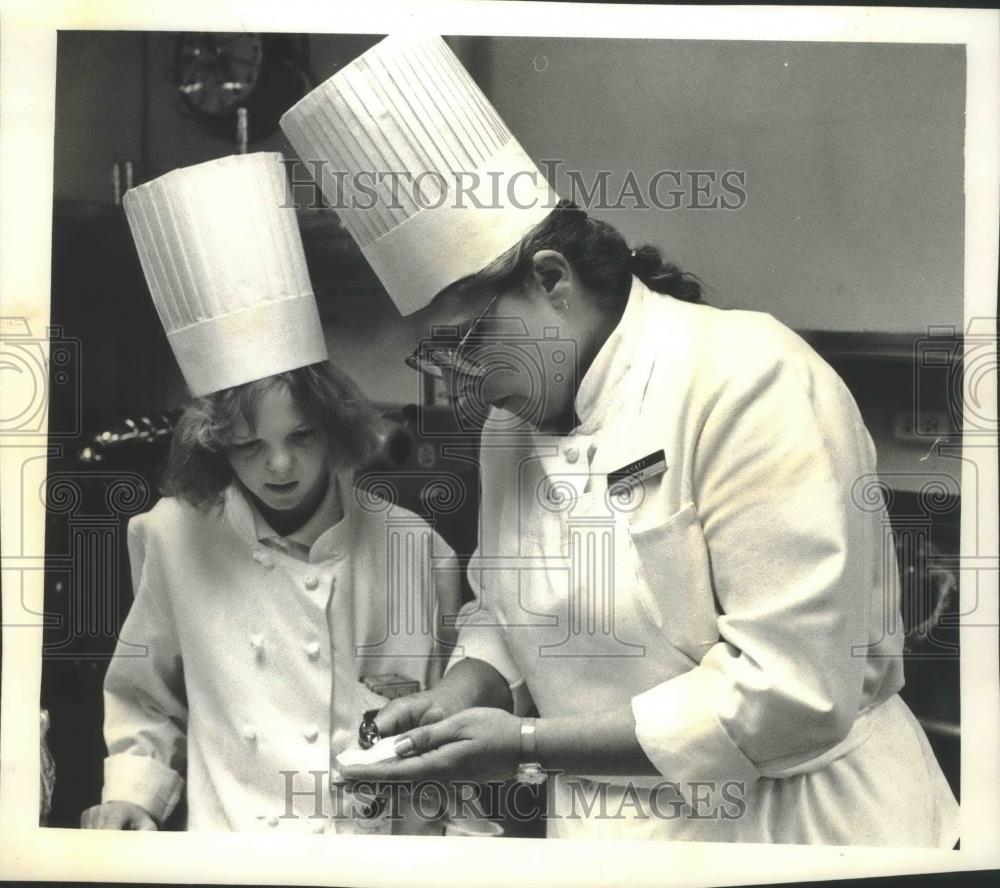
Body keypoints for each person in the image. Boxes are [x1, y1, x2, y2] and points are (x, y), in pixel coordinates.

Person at [280, 35, 960, 845]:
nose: (459, 383)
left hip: (798, 829)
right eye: (435, 357)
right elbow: (506, 606)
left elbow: (791, 694)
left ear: (551, 280)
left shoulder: (749, 377)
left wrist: (525, 747)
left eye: (464, 344)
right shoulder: (510, 430)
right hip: (613, 838)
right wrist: (467, 690)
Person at [79, 152, 459, 833]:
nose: (279, 466)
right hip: (232, 851)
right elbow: (146, 699)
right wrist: (132, 796)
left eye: (304, 437)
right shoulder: (172, 537)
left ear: (337, 427)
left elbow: (443, 729)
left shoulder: (412, 546)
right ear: (215, 442)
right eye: (251, 445)